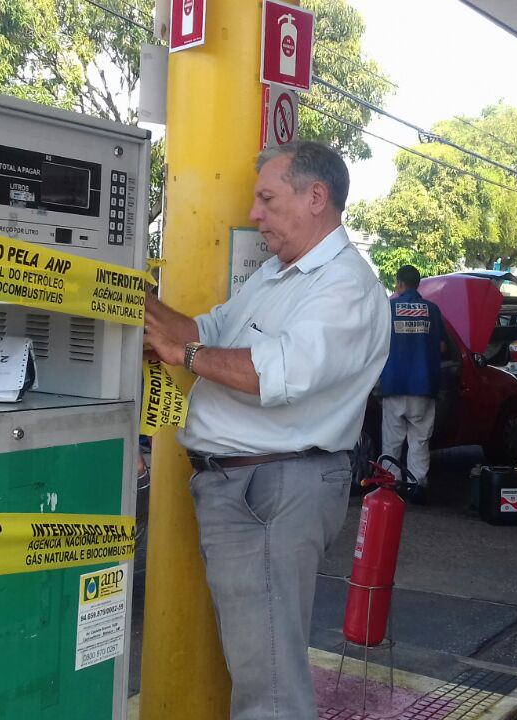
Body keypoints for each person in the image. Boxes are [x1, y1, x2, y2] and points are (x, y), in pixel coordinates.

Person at [142, 141, 390, 719]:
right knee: (259, 666)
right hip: (247, 486)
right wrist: (140, 306)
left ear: (315, 198)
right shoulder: (280, 277)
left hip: (272, 490)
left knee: (269, 682)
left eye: (266, 198)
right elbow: (206, 330)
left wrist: (188, 353)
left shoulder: (346, 286)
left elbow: (277, 371)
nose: (255, 213)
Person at [378, 264, 443, 505]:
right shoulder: (433, 310)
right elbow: (443, 347)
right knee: (419, 439)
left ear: (400, 284)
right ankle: (417, 486)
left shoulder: (388, 308)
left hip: (394, 383)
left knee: (392, 439)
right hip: (423, 385)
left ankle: (389, 483)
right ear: (418, 285)